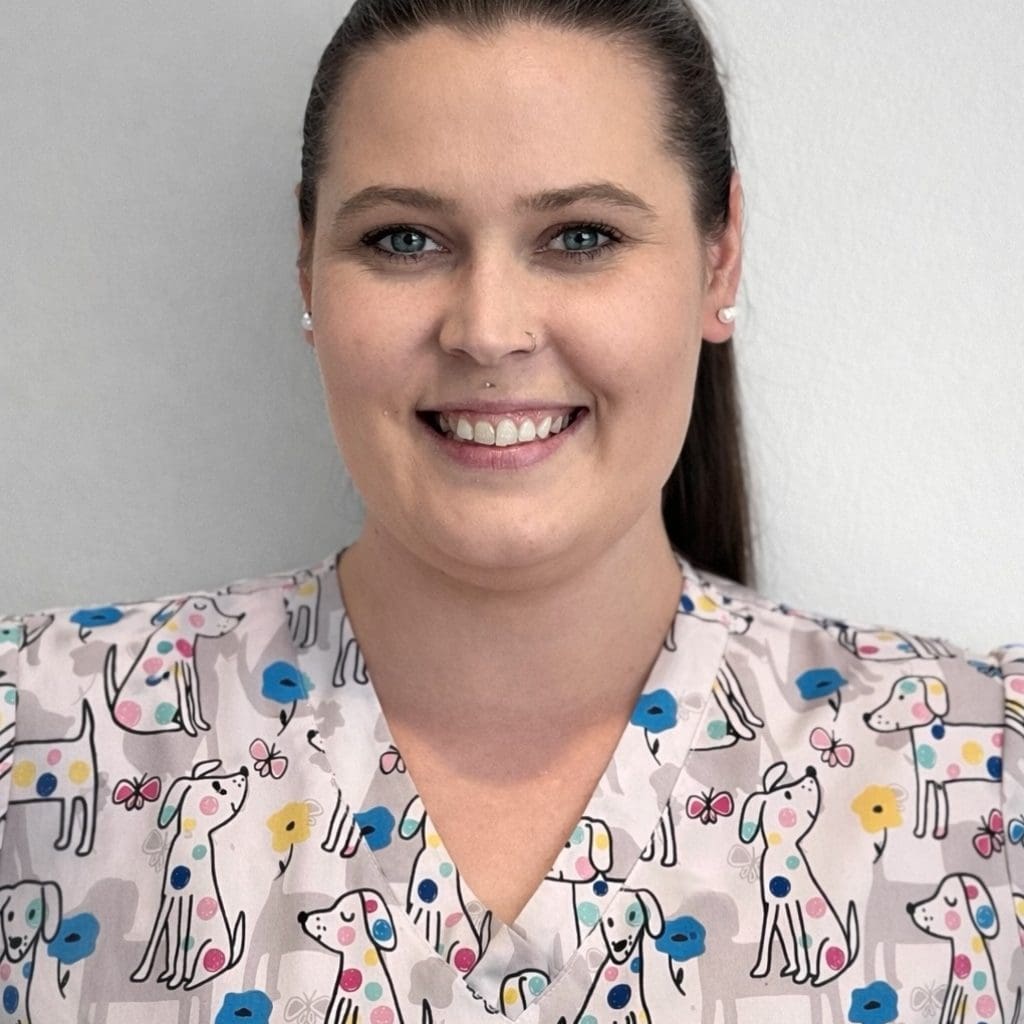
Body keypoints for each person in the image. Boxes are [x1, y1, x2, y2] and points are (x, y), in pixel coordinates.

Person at [0, 1, 1020, 1022]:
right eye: (404, 238)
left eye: (580, 235)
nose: (488, 330)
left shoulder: (989, 778)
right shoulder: (34, 742)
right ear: (308, 261)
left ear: (719, 258)